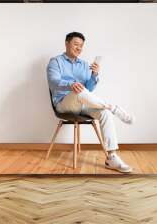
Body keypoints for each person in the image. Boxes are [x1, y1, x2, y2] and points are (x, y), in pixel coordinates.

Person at [47, 32, 133, 173]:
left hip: (82, 102)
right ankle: (112, 106)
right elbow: (53, 82)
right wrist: (71, 84)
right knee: (78, 90)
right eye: (76, 44)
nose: (79, 48)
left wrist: (94, 75)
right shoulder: (55, 61)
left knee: (104, 113)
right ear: (67, 43)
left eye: (81, 46)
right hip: (63, 103)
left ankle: (111, 157)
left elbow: (89, 90)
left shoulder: (84, 64)